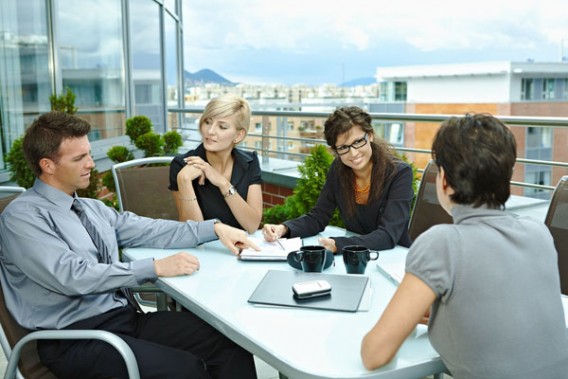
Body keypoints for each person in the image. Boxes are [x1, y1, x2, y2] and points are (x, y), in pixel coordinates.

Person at [0, 111, 260, 379]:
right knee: (185, 370)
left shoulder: (92, 208)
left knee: (229, 342)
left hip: (124, 319)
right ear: (48, 165)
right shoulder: (23, 217)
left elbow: (151, 230)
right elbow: (72, 276)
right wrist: (155, 267)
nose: (91, 163)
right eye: (79, 158)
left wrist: (214, 228)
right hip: (74, 339)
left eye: (89, 153)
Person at [361, 114, 568, 378]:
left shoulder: (442, 243)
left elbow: (373, 354)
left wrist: (409, 318)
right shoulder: (538, 232)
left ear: (444, 180)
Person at [263, 106, 413, 253]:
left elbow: (387, 235)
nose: (353, 153)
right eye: (343, 148)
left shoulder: (399, 173)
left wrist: (339, 245)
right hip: (354, 257)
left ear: (370, 135)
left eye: (358, 142)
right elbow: (318, 217)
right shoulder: (339, 169)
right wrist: (285, 228)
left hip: (393, 256)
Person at [169, 94, 263, 233]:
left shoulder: (250, 162)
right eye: (207, 122)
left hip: (242, 248)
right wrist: (184, 180)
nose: (210, 131)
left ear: (238, 135)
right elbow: (194, 233)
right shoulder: (182, 165)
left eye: (222, 127)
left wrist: (222, 183)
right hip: (205, 251)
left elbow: (252, 225)